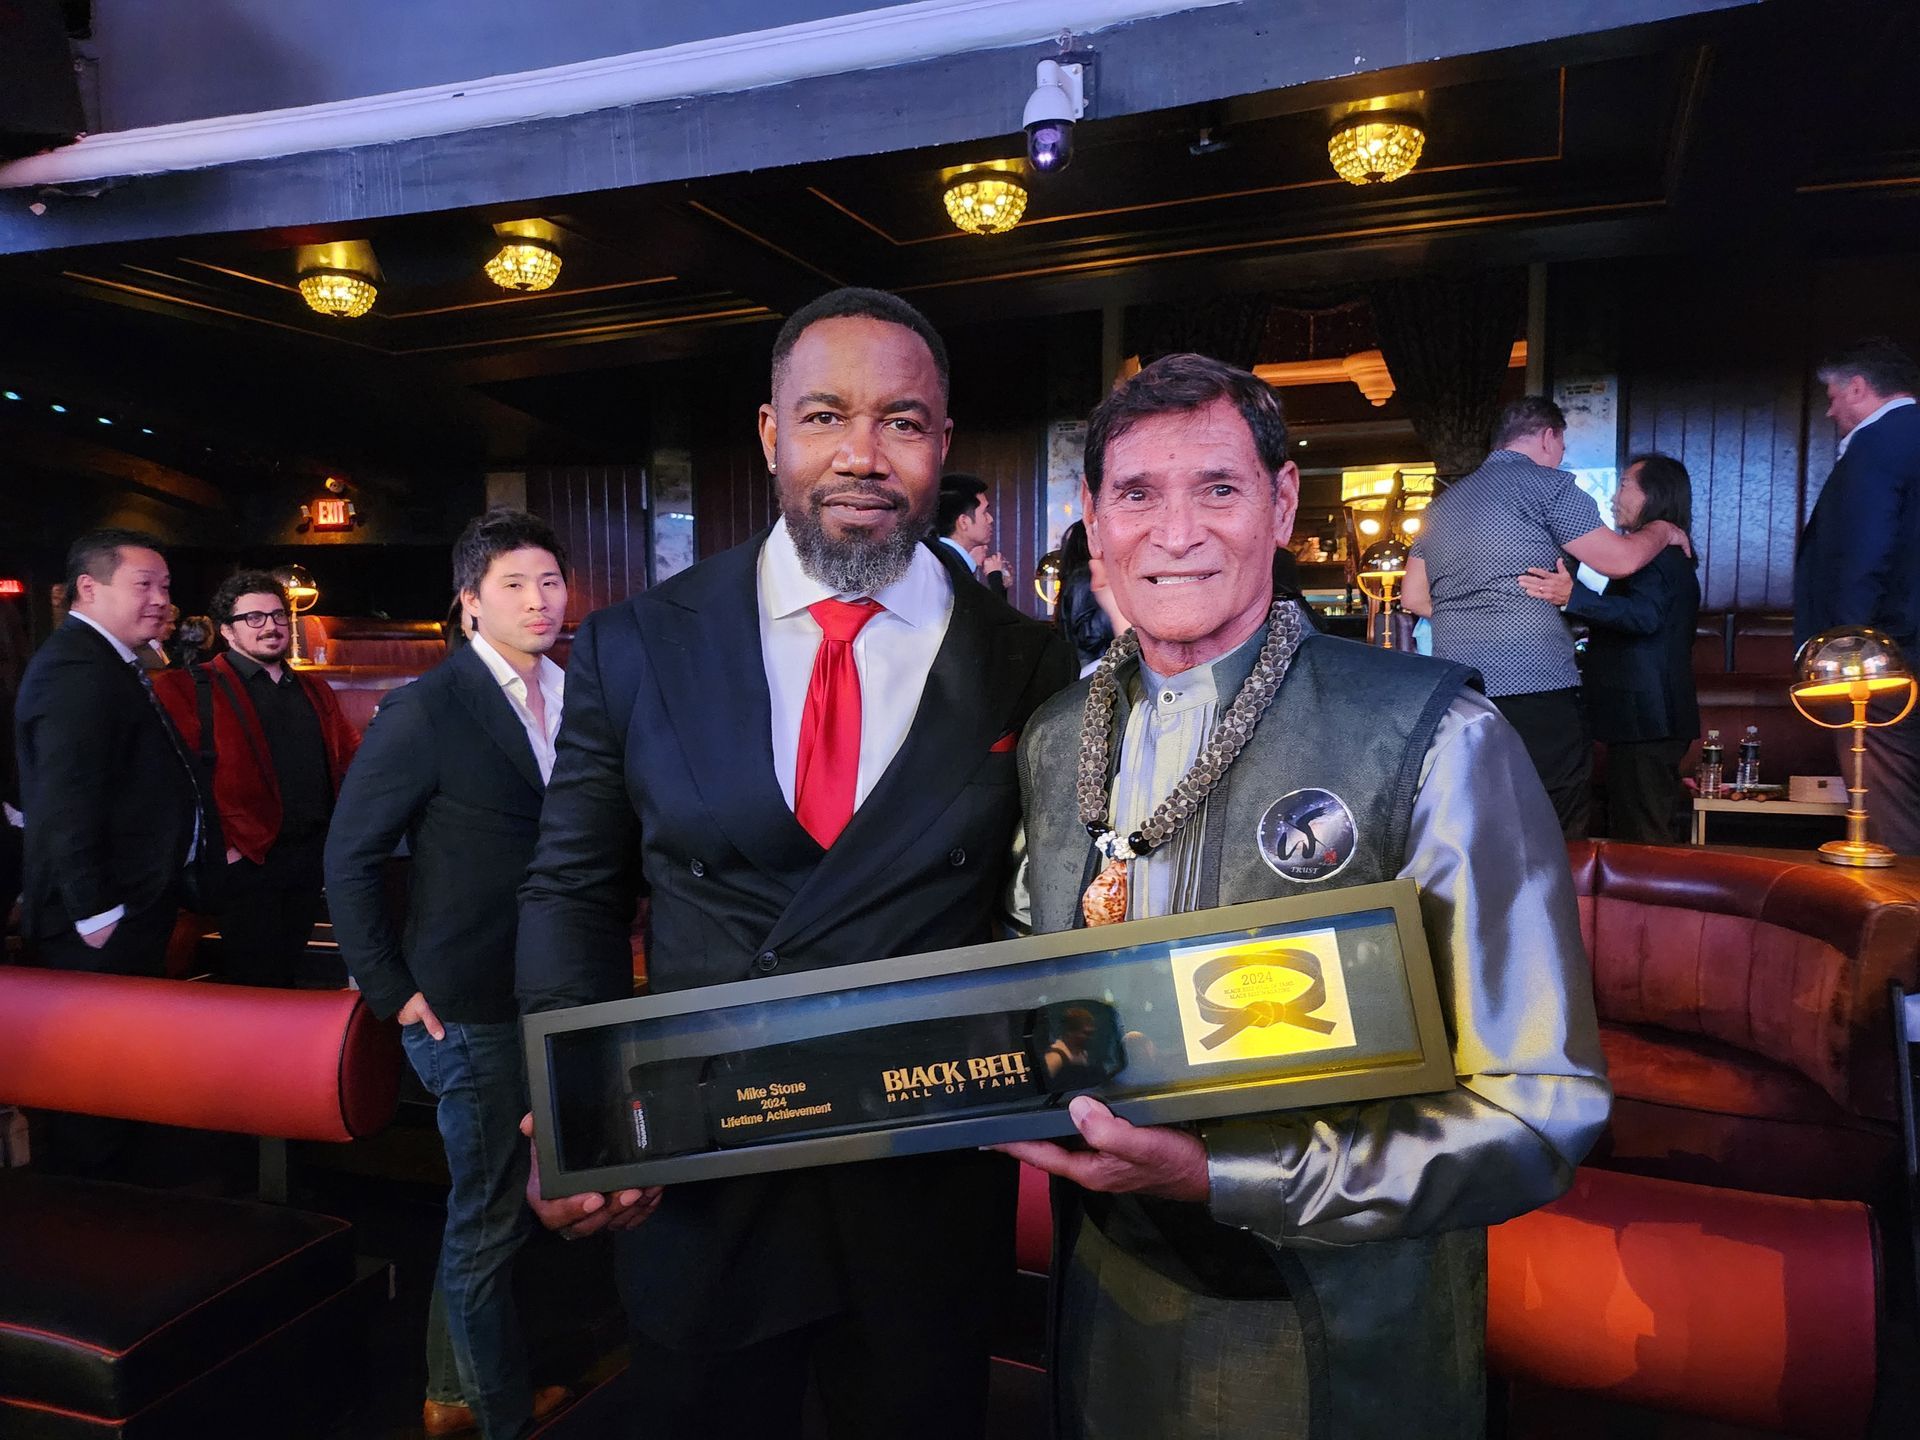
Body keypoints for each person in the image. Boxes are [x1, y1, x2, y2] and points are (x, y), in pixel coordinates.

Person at [1000, 354, 1609, 1440]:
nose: (1175, 530)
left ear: (1282, 504)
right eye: (1137, 493)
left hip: (1334, 1319)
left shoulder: (1437, 737)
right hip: (1101, 1295)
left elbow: (1538, 1111)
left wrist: (1217, 1173)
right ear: (1093, 519)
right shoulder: (1057, 742)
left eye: (1219, 489)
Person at [514, 286, 1075, 1440]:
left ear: (942, 448)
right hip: (700, 1177)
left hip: (921, 1182)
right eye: (825, 417)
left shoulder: (1027, 658)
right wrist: (573, 1109)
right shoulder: (636, 641)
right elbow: (572, 887)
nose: (862, 456)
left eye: (903, 423)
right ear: (772, 434)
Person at [324, 510, 573, 1440]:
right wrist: (391, 992)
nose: (539, 600)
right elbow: (349, 858)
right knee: (492, 1219)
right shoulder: (427, 707)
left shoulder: (572, 690)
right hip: (460, 1005)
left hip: (543, 987)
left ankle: (449, 1396)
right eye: (514, 584)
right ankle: (503, 1416)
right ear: (470, 604)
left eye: (549, 581)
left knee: (490, 1212)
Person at [1402, 396, 1692, 839]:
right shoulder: (1549, 487)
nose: (1561, 456)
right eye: (1561, 445)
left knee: (1478, 819)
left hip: (1460, 692)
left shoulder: (1441, 506)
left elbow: (1414, 596)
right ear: (1548, 436)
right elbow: (1619, 560)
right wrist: (1663, 529)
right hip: (1537, 687)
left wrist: (1481, 607)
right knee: (1552, 822)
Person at [153, 571, 360, 986]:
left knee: (289, 970)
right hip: (245, 860)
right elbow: (171, 782)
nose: (271, 626)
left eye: (278, 615)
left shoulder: (315, 689)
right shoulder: (189, 687)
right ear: (227, 630)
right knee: (255, 979)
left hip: (309, 857)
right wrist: (225, 847)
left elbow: (347, 762)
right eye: (254, 618)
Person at [15, 528, 200, 976]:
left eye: (165, 585)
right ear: (88, 587)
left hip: (135, 900)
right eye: (144, 584)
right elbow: (64, 801)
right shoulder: (74, 667)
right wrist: (95, 912)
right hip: (101, 922)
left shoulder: (105, 658)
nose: (161, 599)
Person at [1519, 454, 1701, 843]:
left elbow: (1644, 617)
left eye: (1623, 486)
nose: (1615, 497)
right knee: (1636, 828)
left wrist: (1573, 597)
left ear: (1654, 494)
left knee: (1644, 836)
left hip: (1648, 719)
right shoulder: (1661, 555)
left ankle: (1650, 904)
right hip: (1642, 719)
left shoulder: (1660, 558)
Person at [1794, 337, 1920, 854]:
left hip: (1888, 655)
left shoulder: (1876, 444)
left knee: (1888, 806)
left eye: (1831, 395)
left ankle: (1903, 923)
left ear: (1859, 387)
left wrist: (1848, 648)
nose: (1829, 410)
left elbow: (1864, 551)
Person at [936, 472, 1011, 596]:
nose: (990, 519)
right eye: (984, 512)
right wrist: (995, 578)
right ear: (964, 522)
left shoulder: (944, 559)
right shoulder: (946, 568)